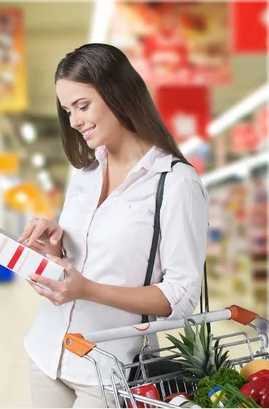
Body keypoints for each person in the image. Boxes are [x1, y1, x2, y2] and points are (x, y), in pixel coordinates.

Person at [18, 43, 208, 408]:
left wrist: (86, 289)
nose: (73, 121)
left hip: (110, 370)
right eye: (67, 110)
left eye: (83, 105)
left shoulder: (175, 182)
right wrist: (56, 249)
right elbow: (83, 258)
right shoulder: (86, 174)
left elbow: (181, 297)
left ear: (117, 94)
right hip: (47, 351)